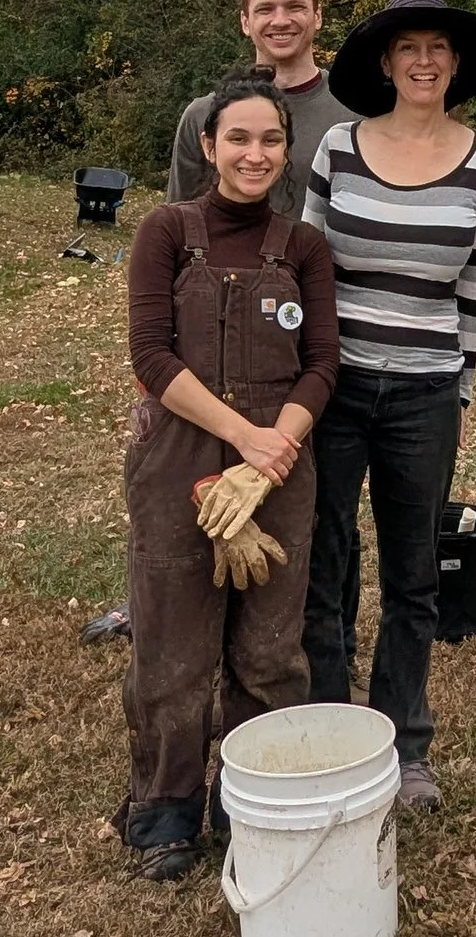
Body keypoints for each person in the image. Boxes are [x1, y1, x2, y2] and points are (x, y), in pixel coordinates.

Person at [121, 74, 339, 881]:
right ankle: (165, 807)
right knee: (173, 646)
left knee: (270, 649)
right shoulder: (167, 231)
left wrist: (275, 450)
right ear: (208, 147)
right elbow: (150, 355)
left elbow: (322, 363)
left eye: (270, 140)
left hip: (281, 466)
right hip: (181, 455)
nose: (254, 153)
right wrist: (243, 438)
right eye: (237, 139)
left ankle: (250, 798)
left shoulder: (304, 246)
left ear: (288, 152)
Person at [302, 0, 476, 812]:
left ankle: (402, 741)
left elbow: (475, 290)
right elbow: (308, 269)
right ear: (385, 64)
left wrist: (458, 390)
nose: (424, 60)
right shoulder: (337, 147)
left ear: (456, 66)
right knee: (324, 555)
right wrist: (306, 381)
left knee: (414, 572)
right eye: (407, 48)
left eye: (438, 48)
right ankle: (324, 722)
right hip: (334, 385)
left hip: (424, 391)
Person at [167, 0, 354, 216]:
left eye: (295, 7)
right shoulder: (202, 116)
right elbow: (178, 224)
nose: (280, 21)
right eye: (265, 9)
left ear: (317, 16)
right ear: (245, 22)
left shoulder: (354, 114)